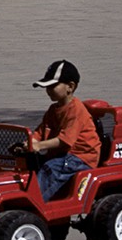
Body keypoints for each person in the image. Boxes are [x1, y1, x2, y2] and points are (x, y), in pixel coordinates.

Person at [19, 60, 101, 202]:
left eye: (53, 86)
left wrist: (38, 146)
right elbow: (41, 131)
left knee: (51, 168)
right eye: (47, 86)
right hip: (63, 154)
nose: (49, 90)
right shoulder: (53, 110)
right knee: (28, 163)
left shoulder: (76, 110)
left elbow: (65, 140)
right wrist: (31, 142)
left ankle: (33, 203)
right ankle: (23, 193)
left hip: (81, 157)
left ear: (70, 87)